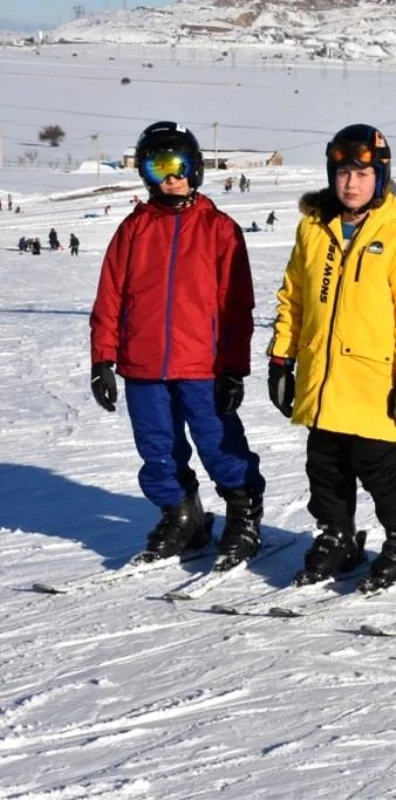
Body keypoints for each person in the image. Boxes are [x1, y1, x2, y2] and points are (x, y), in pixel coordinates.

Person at [89, 121, 265, 569]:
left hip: (202, 364)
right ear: (146, 172)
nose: (171, 176)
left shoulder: (219, 230)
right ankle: (182, 515)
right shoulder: (133, 230)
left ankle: (243, 514)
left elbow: (237, 306)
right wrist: (102, 359)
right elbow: (110, 296)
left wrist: (233, 368)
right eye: (159, 165)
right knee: (157, 448)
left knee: (218, 442)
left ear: (196, 167)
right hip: (143, 365)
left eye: (179, 164)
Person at [268, 123, 396, 591]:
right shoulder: (313, 230)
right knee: (323, 465)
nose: (351, 183)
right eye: (342, 173)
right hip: (321, 378)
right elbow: (292, 300)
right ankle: (337, 535)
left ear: (380, 177)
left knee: (379, 466)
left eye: (362, 174)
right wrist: (281, 359)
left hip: (370, 381)